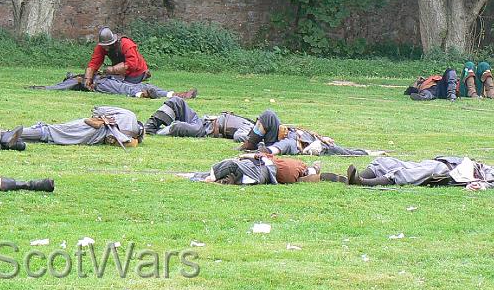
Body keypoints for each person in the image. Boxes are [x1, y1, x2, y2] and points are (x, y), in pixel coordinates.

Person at [238, 109, 382, 156]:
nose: (259, 126)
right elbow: (272, 149)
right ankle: (250, 143)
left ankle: (370, 152)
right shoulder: (283, 139)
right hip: (309, 142)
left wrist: (321, 138)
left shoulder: (287, 140)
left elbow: (272, 150)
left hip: (319, 145)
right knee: (266, 115)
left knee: (344, 151)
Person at [20, 106, 144, 147]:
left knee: (52, 131)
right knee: (52, 134)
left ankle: (5, 135)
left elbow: (97, 110)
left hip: (89, 129)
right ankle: (6, 135)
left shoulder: (129, 117)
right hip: (91, 135)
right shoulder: (129, 134)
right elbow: (98, 112)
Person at [144, 96, 255, 142]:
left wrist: (258, 140)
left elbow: (238, 136)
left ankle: (157, 132)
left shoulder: (251, 130)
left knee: (178, 127)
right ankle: (149, 127)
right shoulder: (251, 123)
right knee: (177, 101)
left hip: (205, 131)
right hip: (202, 121)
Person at [344, 156, 494, 188]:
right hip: (445, 162)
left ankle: (362, 182)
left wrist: (480, 185)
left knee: (404, 174)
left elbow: (489, 184)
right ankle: (351, 179)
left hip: (452, 173)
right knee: (384, 162)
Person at [184, 152, 330, 185]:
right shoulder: (298, 167)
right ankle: (212, 177)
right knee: (233, 171)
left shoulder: (295, 166)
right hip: (263, 173)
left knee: (231, 164)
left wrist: (212, 176)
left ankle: (212, 177)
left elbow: (232, 163)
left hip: (262, 171)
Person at [30, 72, 197, 99]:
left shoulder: (89, 75)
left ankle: (174, 94)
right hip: (102, 85)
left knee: (138, 85)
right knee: (128, 89)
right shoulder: (76, 80)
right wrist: (41, 88)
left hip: (109, 80)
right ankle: (142, 95)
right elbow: (58, 87)